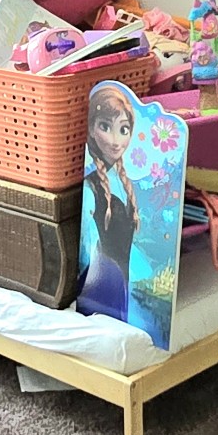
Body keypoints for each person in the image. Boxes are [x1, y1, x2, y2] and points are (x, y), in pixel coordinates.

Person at [78, 84, 139, 323]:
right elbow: (87, 245)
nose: (115, 141)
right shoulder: (91, 186)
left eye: (123, 129)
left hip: (122, 284)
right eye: (105, 127)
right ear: (92, 129)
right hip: (102, 285)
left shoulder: (125, 184)